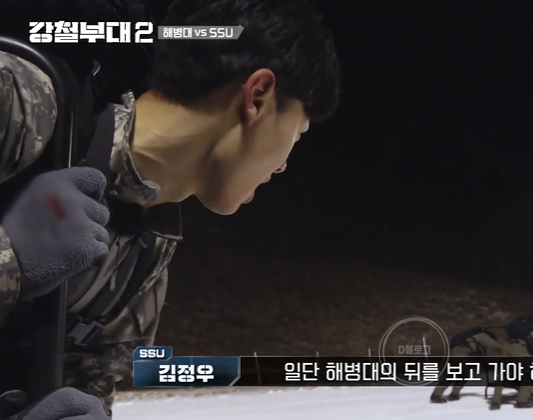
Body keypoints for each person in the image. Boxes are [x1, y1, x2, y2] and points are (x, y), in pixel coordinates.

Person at [0, 0, 341, 418]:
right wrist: (11, 260)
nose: (285, 164)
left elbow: (75, 387)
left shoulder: (144, 256)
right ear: (258, 95)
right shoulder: (24, 104)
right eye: (298, 132)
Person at [488, 315, 533, 410]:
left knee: (503, 375)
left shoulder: (524, 328)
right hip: (518, 348)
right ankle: (522, 401)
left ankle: (495, 401)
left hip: (507, 345)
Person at [430, 327, 503, 403]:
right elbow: (497, 347)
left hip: (455, 353)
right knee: (459, 376)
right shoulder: (483, 336)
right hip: (463, 356)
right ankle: (446, 394)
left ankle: (443, 394)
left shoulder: (471, 337)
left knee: (455, 375)